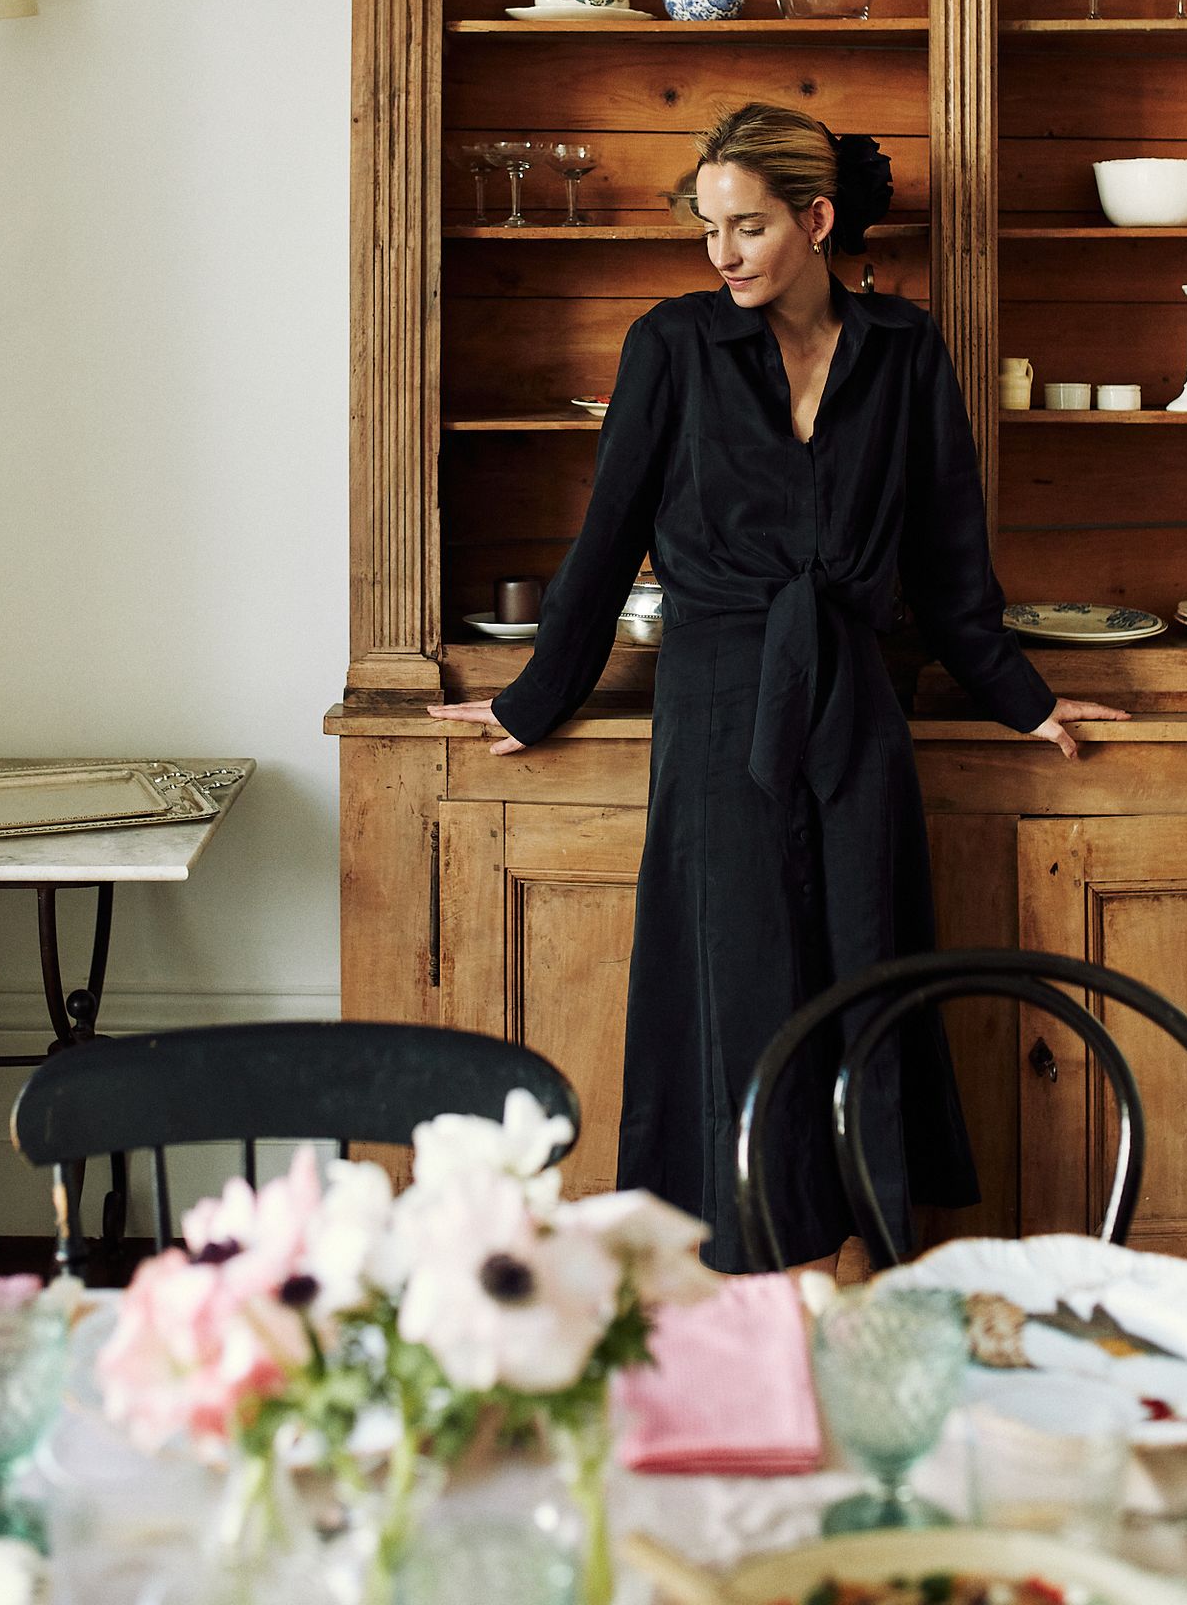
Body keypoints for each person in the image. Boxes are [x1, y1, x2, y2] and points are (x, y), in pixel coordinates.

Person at [429, 103, 1128, 1270]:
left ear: (814, 220)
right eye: (707, 229)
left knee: (867, 966)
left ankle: (862, 1252)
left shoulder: (905, 352)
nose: (721, 254)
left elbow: (952, 562)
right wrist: (531, 696)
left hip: (859, 696)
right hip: (712, 702)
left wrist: (1024, 697)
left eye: (746, 228)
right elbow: (603, 543)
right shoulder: (669, 344)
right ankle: (736, 1262)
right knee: (736, 980)